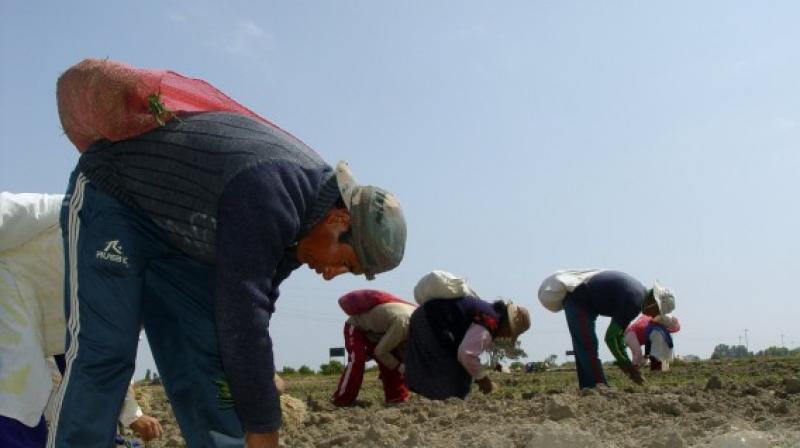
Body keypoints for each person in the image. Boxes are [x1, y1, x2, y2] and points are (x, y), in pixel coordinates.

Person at [48, 60, 407, 448]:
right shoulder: (270, 193)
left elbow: (254, 310)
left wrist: (261, 382)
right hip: (116, 199)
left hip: (180, 242)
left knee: (208, 354)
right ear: (338, 218)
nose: (331, 273)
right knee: (106, 352)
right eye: (345, 262)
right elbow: (244, 314)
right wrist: (265, 427)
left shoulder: (301, 227)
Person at [0, 192, 162, 447]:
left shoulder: (151, 291)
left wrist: (131, 415)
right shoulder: (77, 211)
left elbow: (110, 355)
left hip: (40, 359)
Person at [404, 271, 531, 400]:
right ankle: (448, 400)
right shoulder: (489, 323)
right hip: (429, 322)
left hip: (426, 318)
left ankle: (447, 399)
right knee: (451, 370)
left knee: (459, 371)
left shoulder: (489, 313)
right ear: (507, 325)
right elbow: (466, 354)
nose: (506, 337)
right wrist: (483, 379)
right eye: (510, 333)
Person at [544, 269, 676, 389]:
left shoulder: (638, 294)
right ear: (654, 301)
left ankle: (589, 388)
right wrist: (626, 365)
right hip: (579, 299)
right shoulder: (634, 300)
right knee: (587, 343)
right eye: (657, 311)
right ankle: (597, 386)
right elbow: (610, 337)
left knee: (585, 344)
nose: (653, 315)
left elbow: (618, 335)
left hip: (586, 303)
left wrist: (626, 363)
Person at [331, 289, 416, 406]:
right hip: (358, 327)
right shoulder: (403, 324)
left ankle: (396, 398)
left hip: (380, 331)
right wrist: (402, 368)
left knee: (392, 359)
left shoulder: (418, 322)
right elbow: (380, 352)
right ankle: (342, 399)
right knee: (358, 360)